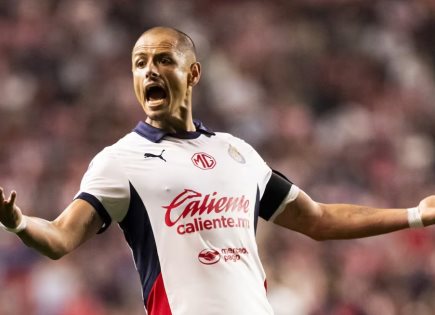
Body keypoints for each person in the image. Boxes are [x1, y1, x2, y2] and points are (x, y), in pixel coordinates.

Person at [1, 26, 435, 315]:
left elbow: (318, 219)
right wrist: (18, 222)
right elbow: (59, 238)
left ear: (193, 73)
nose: (149, 69)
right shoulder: (119, 160)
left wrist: (414, 214)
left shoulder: (237, 152)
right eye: (139, 63)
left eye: (162, 59)